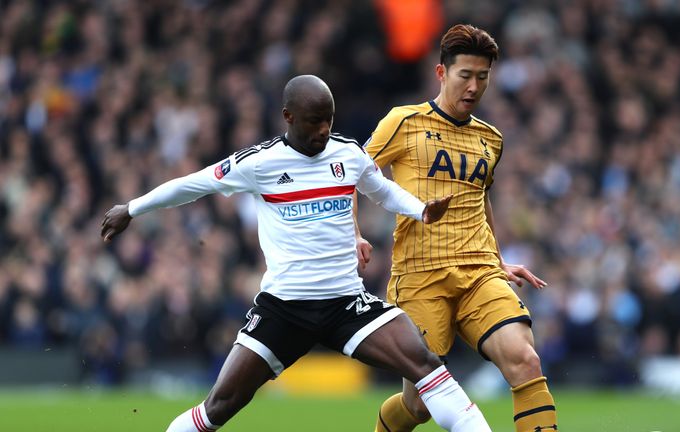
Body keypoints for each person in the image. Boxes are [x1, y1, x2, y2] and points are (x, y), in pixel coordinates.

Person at [101, 75, 492, 432]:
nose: (324, 129)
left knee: (427, 366)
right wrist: (131, 209)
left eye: (329, 120)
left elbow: (382, 190)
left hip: (345, 302)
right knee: (218, 407)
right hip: (284, 308)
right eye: (314, 121)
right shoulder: (259, 163)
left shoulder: (348, 154)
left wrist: (421, 211)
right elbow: (193, 184)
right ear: (288, 116)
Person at [359, 25, 558, 432]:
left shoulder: (491, 139)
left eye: (482, 77)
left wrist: (499, 261)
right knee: (420, 405)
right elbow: (350, 175)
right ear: (441, 73)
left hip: (478, 272)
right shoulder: (403, 122)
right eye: (464, 75)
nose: (473, 86)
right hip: (420, 275)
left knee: (526, 360)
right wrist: (355, 234)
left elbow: (479, 198)